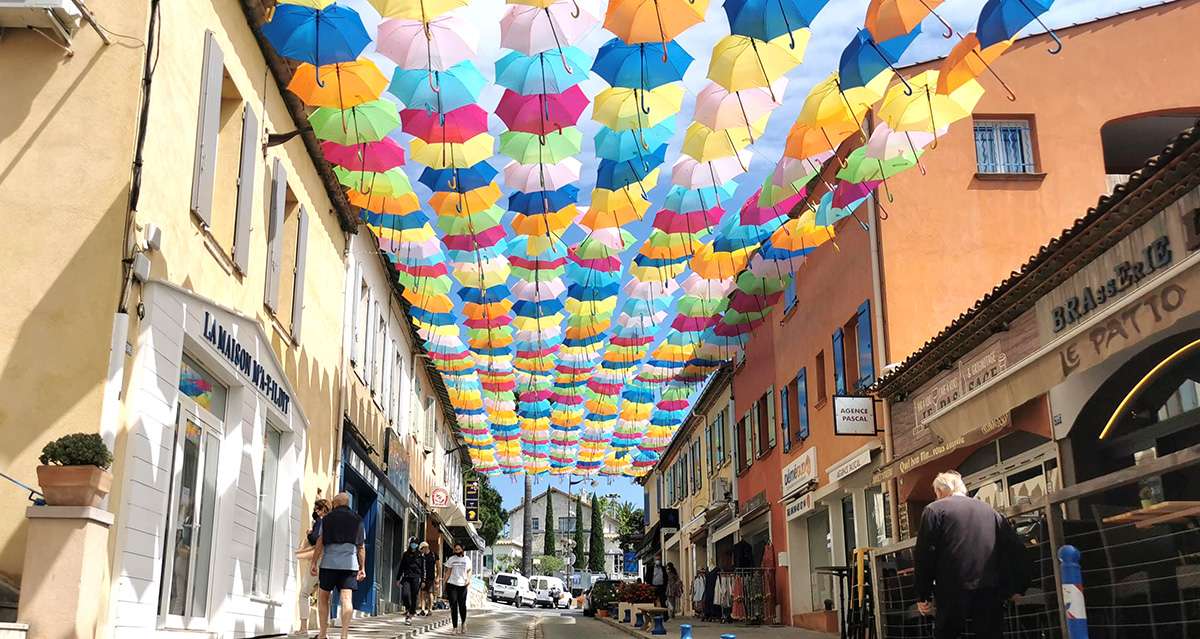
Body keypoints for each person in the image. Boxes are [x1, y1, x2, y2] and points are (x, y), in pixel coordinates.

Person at [914, 471, 1030, 639]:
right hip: (989, 588)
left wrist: (922, 594)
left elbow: (924, 555)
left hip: (952, 589)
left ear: (939, 492)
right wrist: (1017, 586)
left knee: (947, 633)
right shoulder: (990, 511)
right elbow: (1014, 548)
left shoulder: (934, 510)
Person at [309, 493, 365, 639]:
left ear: (335, 504)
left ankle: (322, 634)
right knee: (346, 599)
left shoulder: (327, 519)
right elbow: (360, 546)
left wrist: (314, 562)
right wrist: (362, 567)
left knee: (323, 597)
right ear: (348, 504)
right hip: (349, 565)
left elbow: (320, 542)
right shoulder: (358, 520)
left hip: (329, 564)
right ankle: (344, 635)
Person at [295, 498, 330, 636]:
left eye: (317, 509)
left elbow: (317, 541)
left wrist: (309, 535)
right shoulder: (333, 522)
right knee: (324, 597)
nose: (315, 512)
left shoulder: (321, 522)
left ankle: (303, 628)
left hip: (319, 560)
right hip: (330, 563)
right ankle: (323, 633)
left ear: (322, 510)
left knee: (304, 593)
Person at [443, 542, 472, 635]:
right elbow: (448, 572)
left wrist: (468, 580)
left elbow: (469, 570)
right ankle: (455, 627)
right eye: (456, 550)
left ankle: (463, 623)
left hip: (462, 585)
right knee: (453, 606)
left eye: (459, 549)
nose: (457, 551)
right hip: (452, 585)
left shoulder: (467, 559)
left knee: (462, 606)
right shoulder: (451, 559)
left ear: (462, 550)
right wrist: (444, 582)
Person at [396, 537, 426, 625]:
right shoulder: (405, 554)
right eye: (412, 543)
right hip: (407, 577)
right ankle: (409, 609)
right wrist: (398, 578)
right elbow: (401, 567)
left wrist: (423, 580)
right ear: (410, 544)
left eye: (415, 543)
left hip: (416, 578)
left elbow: (423, 568)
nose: (414, 545)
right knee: (405, 594)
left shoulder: (420, 555)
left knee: (414, 597)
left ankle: (410, 616)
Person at [419, 541, 437, 615]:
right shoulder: (421, 556)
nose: (421, 550)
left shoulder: (433, 555)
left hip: (431, 577)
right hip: (423, 577)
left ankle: (430, 609)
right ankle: (423, 609)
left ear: (426, 547)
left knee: (430, 593)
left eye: (422, 549)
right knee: (422, 593)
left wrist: (438, 576)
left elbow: (438, 566)